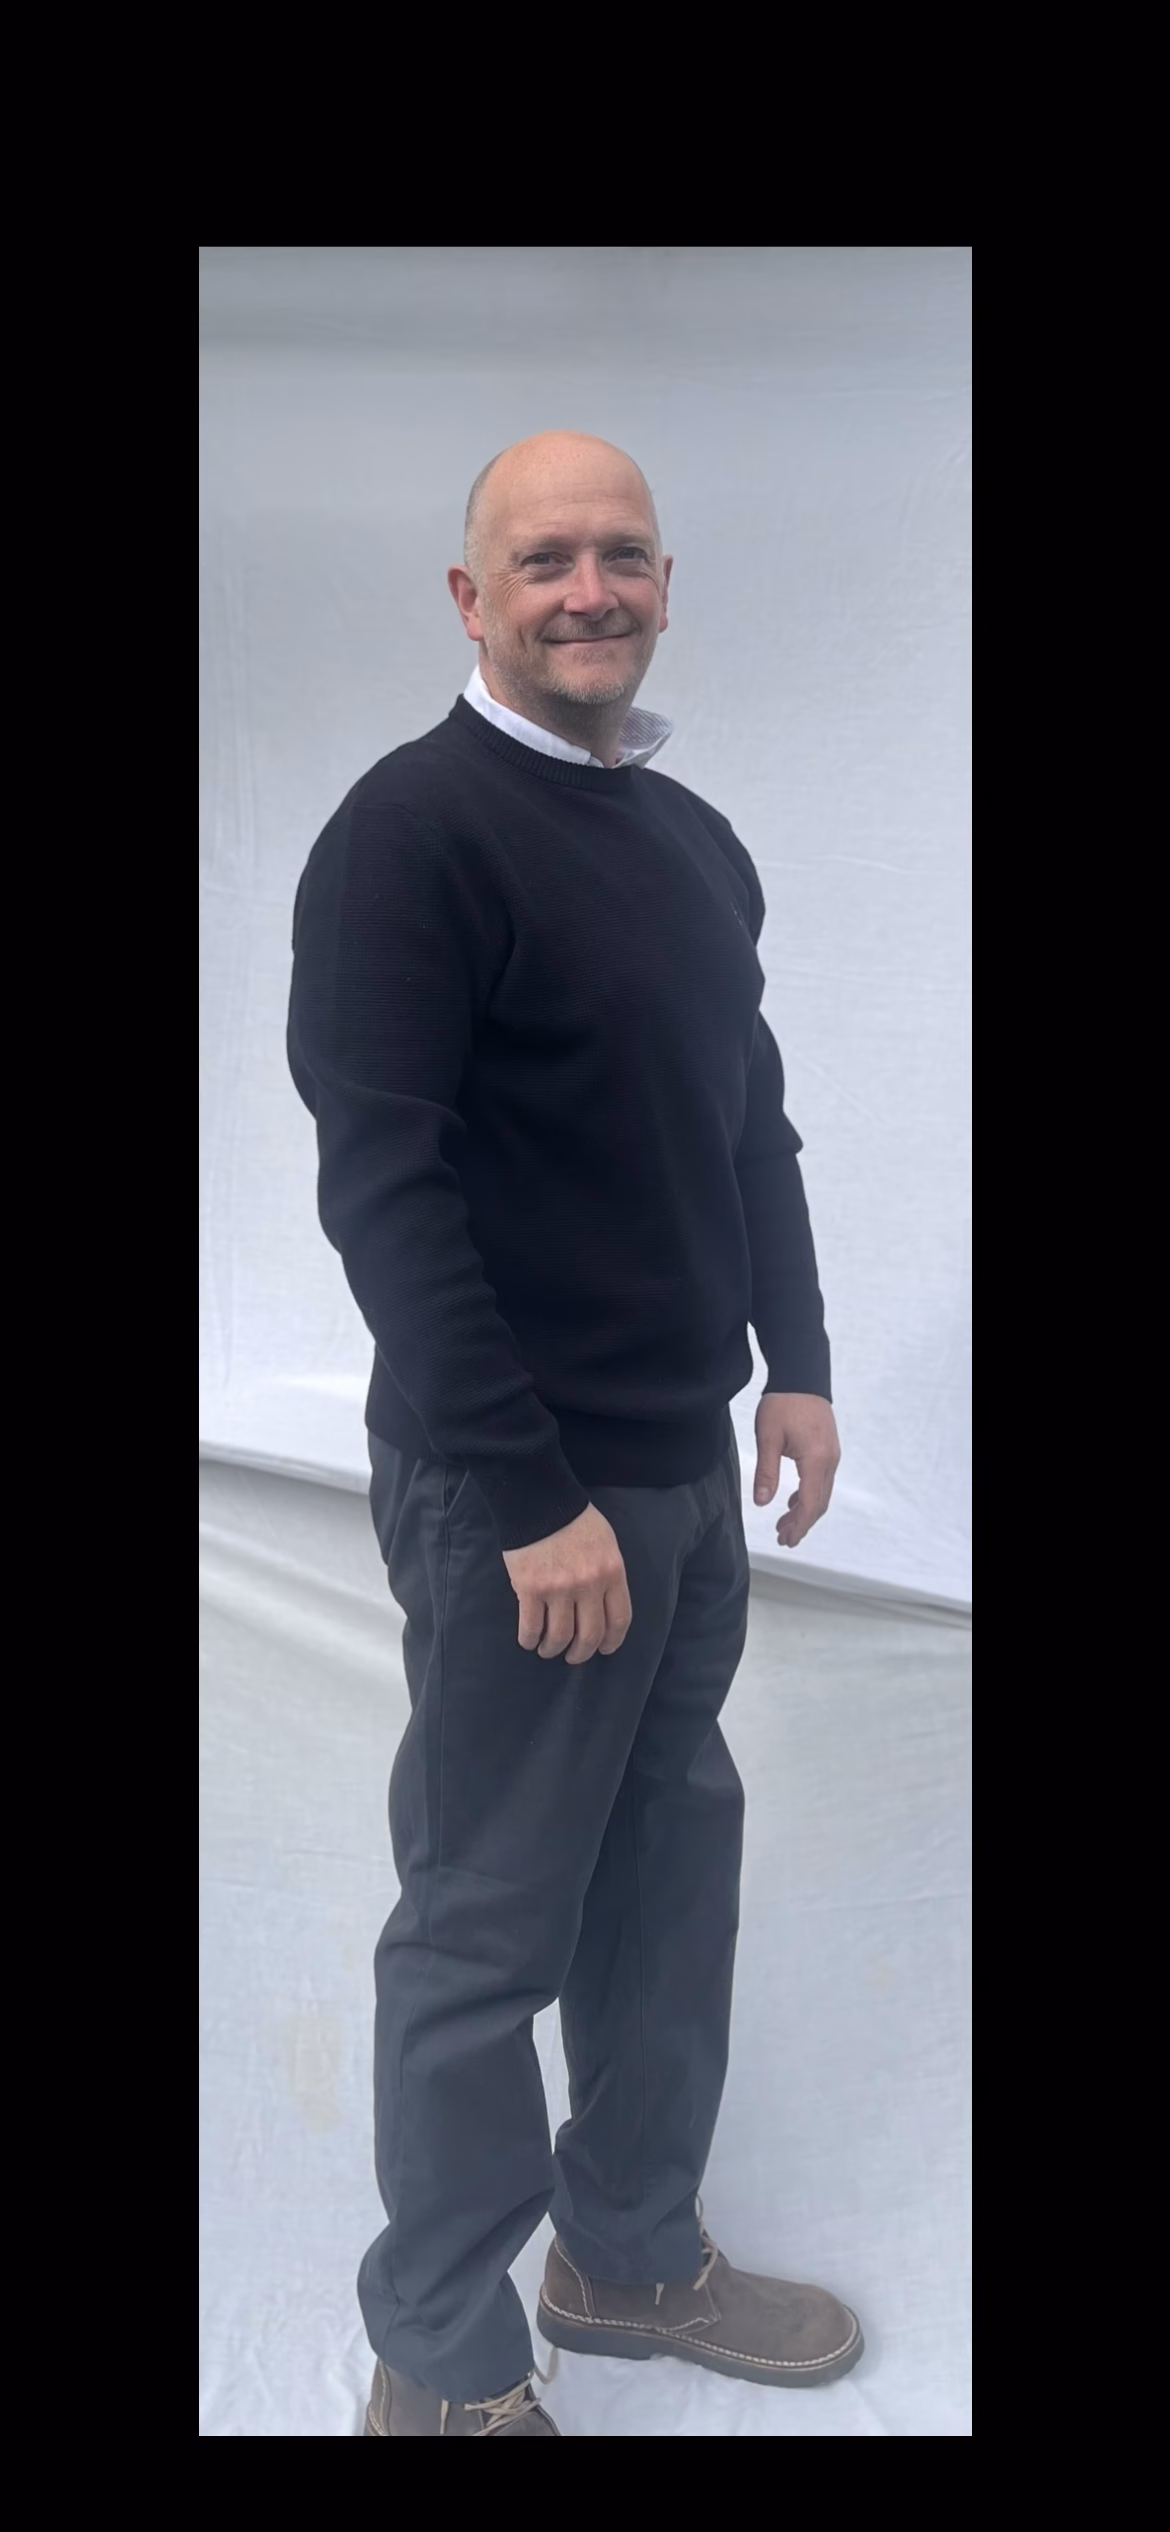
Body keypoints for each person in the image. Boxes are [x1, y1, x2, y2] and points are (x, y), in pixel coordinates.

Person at [287, 431, 862, 2439]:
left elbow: (746, 1119)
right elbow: (385, 1191)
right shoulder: (408, 837)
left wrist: (796, 1359)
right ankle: (442, 2369)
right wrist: (532, 1494)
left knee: (665, 1876)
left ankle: (624, 2248)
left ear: (667, 584)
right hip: (521, 1492)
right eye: (543, 561)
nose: (588, 590)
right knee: (486, 1926)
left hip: (681, 1472)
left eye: (621, 554)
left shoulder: (690, 839)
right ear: (472, 598)